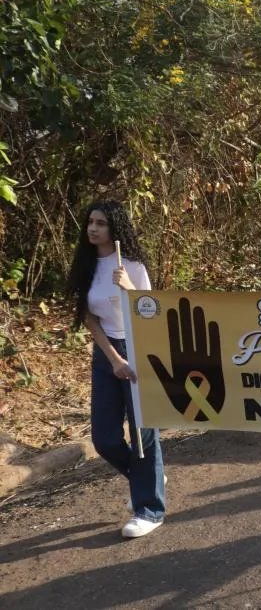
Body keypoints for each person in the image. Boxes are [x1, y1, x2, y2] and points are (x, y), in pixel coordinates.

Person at [66, 200, 165, 538]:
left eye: (101, 223)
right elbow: (90, 319)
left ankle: (150, 509)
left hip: (140, 346)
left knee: (142, 433)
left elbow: (151, 312)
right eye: (90, 222)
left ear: (115, 228)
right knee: (105, 438)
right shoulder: (87, 264)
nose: (93, 228)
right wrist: (114, 360)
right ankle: (148, 477)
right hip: (107, 352)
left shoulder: (132, 265)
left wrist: (130, 289)